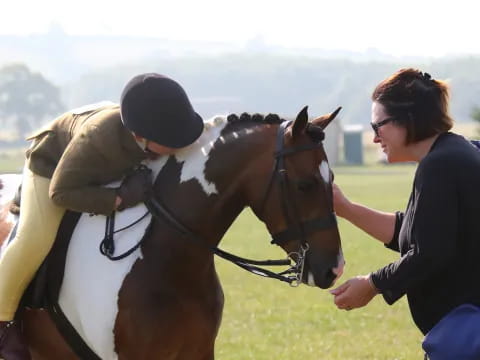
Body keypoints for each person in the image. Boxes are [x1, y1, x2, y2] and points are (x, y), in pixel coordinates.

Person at [0, 73, 204, 359]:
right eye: (170, 140)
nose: (179, 143)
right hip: (52, 166)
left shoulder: (166, 129)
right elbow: (61, 193)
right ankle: (3, 322)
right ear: (140, 136)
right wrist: (117, 199)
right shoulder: (100, 139)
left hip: (99, 166)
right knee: (35, 238)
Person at [330, 68, 480, 354]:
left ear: (407, 120)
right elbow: (413, 232)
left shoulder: (440, 165)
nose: (375, 138)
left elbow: (430, 251)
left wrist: (372, 284)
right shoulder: (455, 152)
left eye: (377, 126)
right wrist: (345, 208)